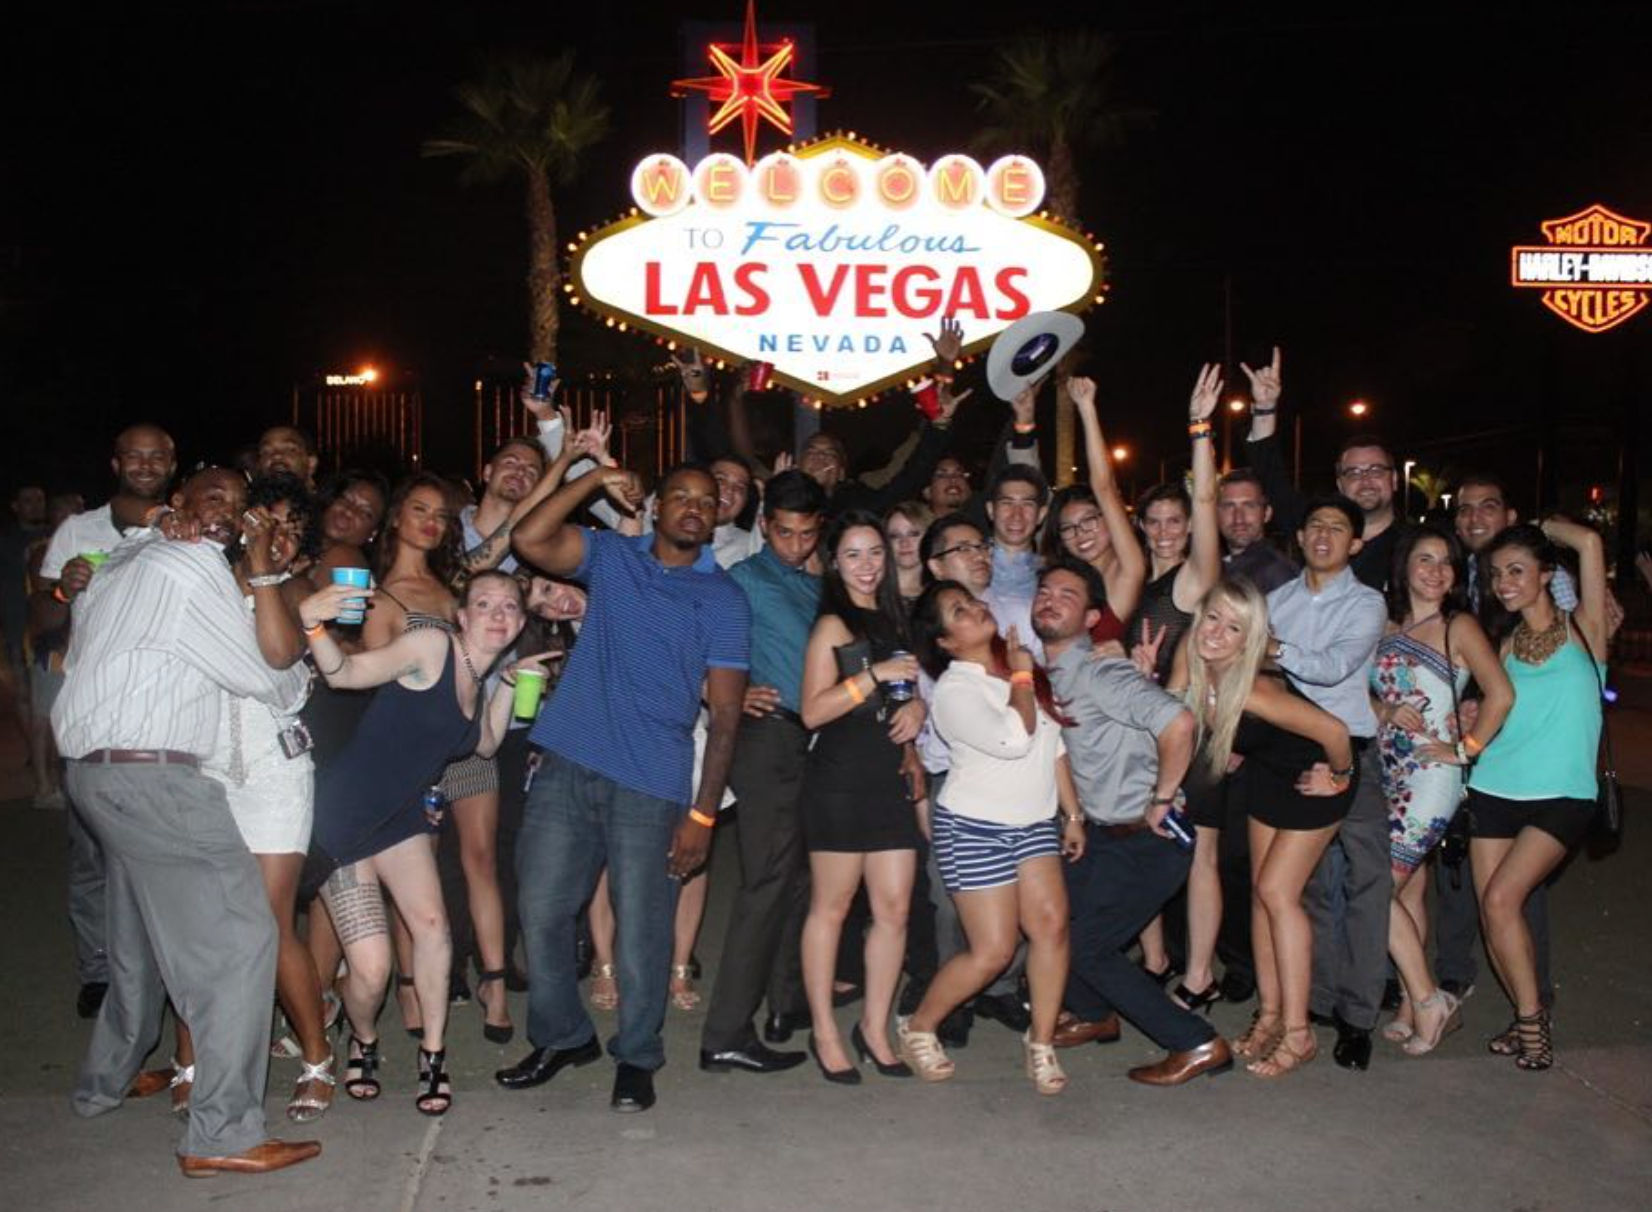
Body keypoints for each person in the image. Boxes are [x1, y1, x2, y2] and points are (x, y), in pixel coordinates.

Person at [53, 467, 320, 1176]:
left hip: (90, 773)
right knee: (241, 943)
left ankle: (103, 1083)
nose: (228, 513)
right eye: (214, 499)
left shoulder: (125, 562)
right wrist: (263, 590)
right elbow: (273, 681)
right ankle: (223, 1133)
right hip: (159, 776)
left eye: (239, 504)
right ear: (179, 507)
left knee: (139, 939)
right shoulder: (190, 563)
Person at [498, 461, 748, 1114]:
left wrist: (703, 816)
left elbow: (724, 718)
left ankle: (636, 1055)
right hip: (568, 760)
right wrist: (597, 479)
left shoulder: (722, 598)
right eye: (681, 496)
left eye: (706, 501)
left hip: (651, 781)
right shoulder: (612, 555)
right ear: (658, 506)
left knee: (643, 932)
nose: (694, 508)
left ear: (717, 517)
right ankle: (563, 1035)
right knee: (542, 908)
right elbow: (528, 539)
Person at [300, 569, 537, 1116]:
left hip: (403, 821)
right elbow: (346, 674)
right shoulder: (432, 647)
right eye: (484, 603)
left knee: (433, 931)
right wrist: (313, 624)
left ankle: (434, 1054)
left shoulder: (478, 683)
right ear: (462, 615)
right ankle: (363, 1036)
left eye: (509, 607)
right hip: (347, 822)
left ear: (521, 622)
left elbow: (484, 743)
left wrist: (509, 682)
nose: (498, 614)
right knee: (374, 971)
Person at [1029, 560, 1230, 1085]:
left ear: (1093, 615)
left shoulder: (1100, 671)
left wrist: (1162, 797)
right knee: (1047, 923)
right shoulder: (1053, 672)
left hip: (1147, 841)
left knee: (1086, 946)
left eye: (1067, 595)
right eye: (1044, 590)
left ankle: (1197, 1043)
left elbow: (1178, 723)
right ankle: (1096, 1016)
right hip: (1099, 835)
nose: (1050, 599)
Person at [901, 581, 1081, 1093]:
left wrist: (1072, 815)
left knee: (1052, 928)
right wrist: (1023, 672)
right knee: (994, 950)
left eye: (973, 601)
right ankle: (918, 1026)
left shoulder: (1017, 671)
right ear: (945, 642)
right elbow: (1013, 737)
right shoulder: (957, 691)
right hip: (975, 826)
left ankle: (1041, 1044)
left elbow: (1051, 743)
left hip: (1034, 823)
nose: (977, 609)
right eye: (959, 611)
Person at [1176, 577, 1355, 1076]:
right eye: (1213, 617)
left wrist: (1339, 777)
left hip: (1318, 776)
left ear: (1248, 639)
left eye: (1233, 627)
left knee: (1278, 894)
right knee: (1260, 894)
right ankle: (1271, 1016)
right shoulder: (1204, 668)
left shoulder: (1254, 689)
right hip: (1270, 776)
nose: (1216, 632)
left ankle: (1299, 1034)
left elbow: (1335, 732)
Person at [33, 423, 178, 1022]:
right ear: (115, 463)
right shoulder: (78, 530)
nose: (145, 465)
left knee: (165, 856)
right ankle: (98, 970)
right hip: (94, 715)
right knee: (91, 852)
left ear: (173, 462)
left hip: (166, 715)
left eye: (157, 456)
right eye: (134, 456)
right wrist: (63, 592)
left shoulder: (184, 528)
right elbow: (39, 617)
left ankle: (162, 970)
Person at [698, 470, 828, 1074]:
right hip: (768, 738)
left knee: (799, 878)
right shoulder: (741, 580)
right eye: (783, 532)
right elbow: (689, 646)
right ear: (765, 524)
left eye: (805, 533)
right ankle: (726, 1031)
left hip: (817, 741)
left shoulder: (818, 580)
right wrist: (728, 689)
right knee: (767, 882)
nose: (794, 543)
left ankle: (784, 1003)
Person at [1466, 519, 1608, 1071]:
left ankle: (1531, 1024)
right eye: (1498, 573)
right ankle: (1528, 1017)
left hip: (1564, 793)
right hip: (1495, 784)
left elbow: (1591, 544)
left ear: (1547, 574)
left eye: (1518, 569)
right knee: (1493, 913)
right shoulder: (1502, 644)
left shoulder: (1586, 629)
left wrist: (1539, 522)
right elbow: (1495, 711)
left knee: (1503, 900)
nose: (1505, 581)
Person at [1371, 526, 1512, 1054]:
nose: (1437, 571)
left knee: (1373, 887)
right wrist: (1383, 710)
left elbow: (1500, 693)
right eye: (1425, 559)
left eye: (1447, 562)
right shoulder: (1385, 626)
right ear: (1404, 566)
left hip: (1432, 776)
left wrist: (1465, 748)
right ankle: (1411, 1002)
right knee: (1407, 890)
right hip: (1386, 771)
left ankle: (1432, 1001)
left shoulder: (1459, 626)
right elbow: (1360, 697)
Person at [797, 511, 926, 1083]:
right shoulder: (831, 624)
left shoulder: (897, 619)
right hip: (840, 779)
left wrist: (917, 715)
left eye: (875, 552)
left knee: (894, 908)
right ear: (833, 562)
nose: (868, 564)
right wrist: (872, 676)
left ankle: (874, 1026)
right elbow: (811, 711)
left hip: (888, 779)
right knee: (833, 906)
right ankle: (825, 1028)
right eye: (853, 553)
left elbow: (903, 703)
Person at [1265, 495, 1389, 1069]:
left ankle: (1358, 1016)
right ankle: (1312, 1001)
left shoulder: (1367, 603)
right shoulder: (1276, 600)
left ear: (1355, 543)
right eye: (1314, 523)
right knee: (1307, 887)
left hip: (1351, 753)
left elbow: (1334, 665)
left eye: (1337, 528)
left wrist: (1270, 648)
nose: (1323, 535)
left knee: (1366, 885)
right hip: (1288, 753)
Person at [1126, 366, 1221, 983]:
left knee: (1200, 857)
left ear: (1188, 527)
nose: (1164, 530)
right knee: (1142, 846)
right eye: (1154, 520)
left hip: (1193, 729)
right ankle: (1158, 959)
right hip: (1145, 727)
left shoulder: (1192, 579)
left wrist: (1200, 429)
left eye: (1174, 521)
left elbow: (1208, 498)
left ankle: (1199, 976)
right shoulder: (1135, 578)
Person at [1240, 346, 1406, 591]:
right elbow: (1271, 478)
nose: (1366, 480)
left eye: (1376, 470)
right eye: (1354, 473)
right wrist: (1265, 407)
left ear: (1394, 480)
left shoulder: (1413, 546)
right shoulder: (1315, 525)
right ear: (1340, 483)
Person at [1040, 375, 1145, 642]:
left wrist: (1086, 408)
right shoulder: (1056, 584)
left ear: (1109, 518)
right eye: (1068, 528)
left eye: (1089, 520)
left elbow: (1105, 487)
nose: (1080, 533)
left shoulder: (1127, 572)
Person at [1217, 469, 1297, 595]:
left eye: (1249, 506)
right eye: (1229, 506)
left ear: (1267, 514)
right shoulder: (1215, 567)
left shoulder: (1278, 573)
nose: (1238, 518)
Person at [885, 500, 934, 602]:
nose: (904, 543)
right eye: (895, 536)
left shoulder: (939, 596)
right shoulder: (868, 592)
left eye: (913, 534)